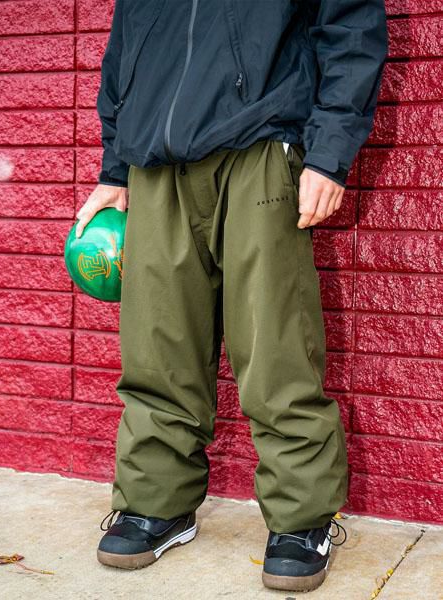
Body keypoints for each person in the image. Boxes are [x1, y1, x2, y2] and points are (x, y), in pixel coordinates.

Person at [75, 0, 388, 592]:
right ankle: (156, 504)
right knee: (157, 350)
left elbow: (350, 27)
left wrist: (328, 154)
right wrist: (115, 170)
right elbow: (124, 56)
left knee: (276, 348)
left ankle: (301, 520)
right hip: (155, 164)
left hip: (261, 148)